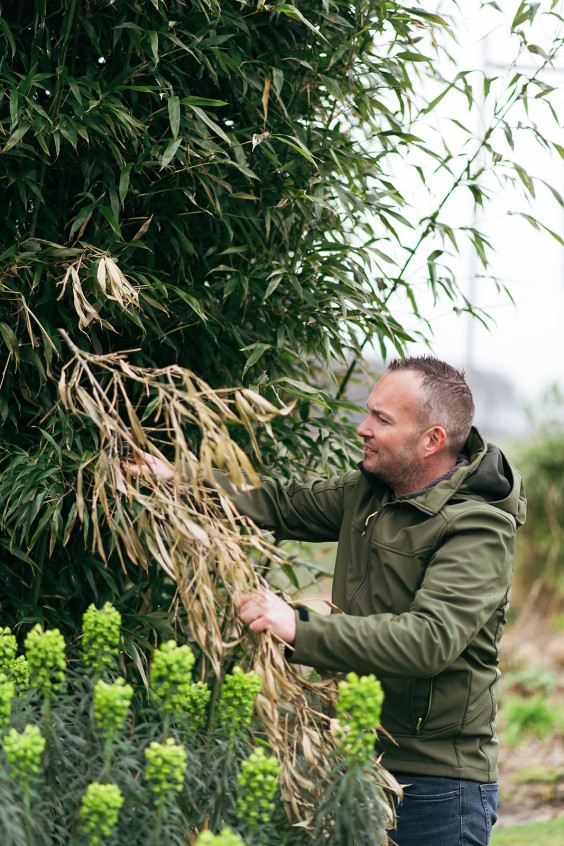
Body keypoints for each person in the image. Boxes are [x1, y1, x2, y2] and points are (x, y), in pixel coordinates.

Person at [133, 356, 526, 846]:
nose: (363, 428)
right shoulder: (368, 492)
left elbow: (429, 640)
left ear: (432, 440)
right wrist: (177, 481)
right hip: (354, 757)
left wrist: (298, 627)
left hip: (437, 785)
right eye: (369, 413)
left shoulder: (479, 527)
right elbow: (276, 504)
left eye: (382, 420)